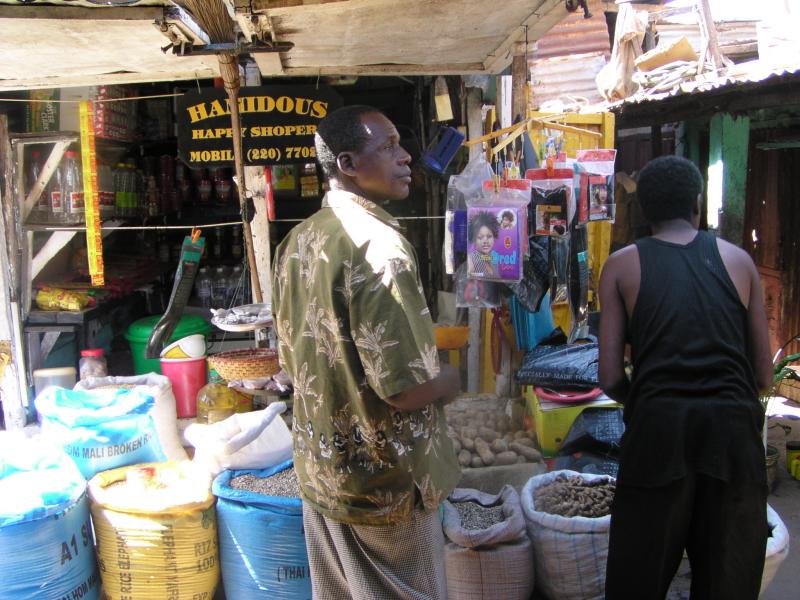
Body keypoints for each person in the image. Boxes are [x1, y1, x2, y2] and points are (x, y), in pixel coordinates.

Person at [271, 105, 460, 600]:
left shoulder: (297, 241)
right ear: (348, 164)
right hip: (385, 484)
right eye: (390, 146)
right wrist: (451, 380)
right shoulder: (380, 249)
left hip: (323, 470)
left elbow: (289, 359)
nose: (406, 157)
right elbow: (405, 389)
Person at [598, 155, 773, 600]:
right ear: (697, 203)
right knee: (728, 580)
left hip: (658, 432)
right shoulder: (739, 261)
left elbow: (610, 375)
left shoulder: (621, 265)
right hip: (733, 435)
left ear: (643, 210)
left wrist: (648, 399)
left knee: (639, 578)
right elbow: (763, 376)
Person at [468, 210, 498, 277]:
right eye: (480, 237)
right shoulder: (471, 260)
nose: (485, 241)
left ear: (494, 237)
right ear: (474, 239)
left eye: (489, 236)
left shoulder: (493, 259)